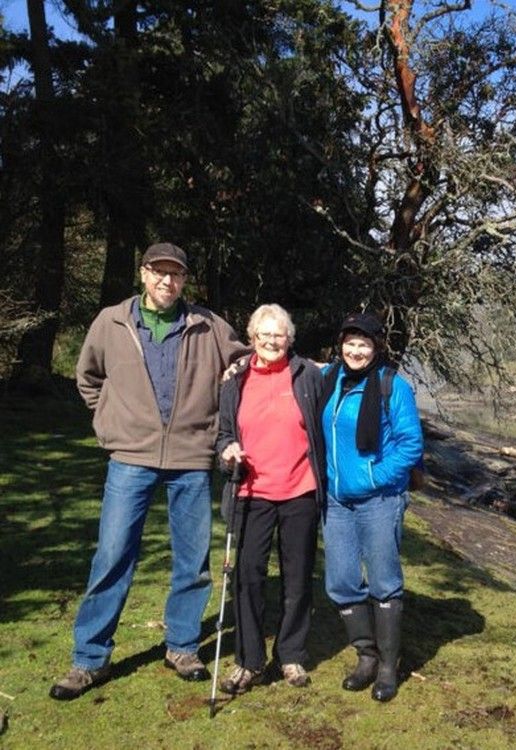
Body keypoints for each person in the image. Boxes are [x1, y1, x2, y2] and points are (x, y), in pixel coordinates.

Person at [50, 243, 248, 701]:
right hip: (130, 459)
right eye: (159, 273)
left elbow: (244, 364)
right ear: (143, 273)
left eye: (175, 275)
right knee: (113, 555)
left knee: (193, 560)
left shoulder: (209, 325)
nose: (167, 282)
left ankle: (181, 647)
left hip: (191, 459)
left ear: (184, 281)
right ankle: (89, 659)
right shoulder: (111, 322)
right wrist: (111, 422)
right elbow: (89, 378)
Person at [215, 304, 325, 694]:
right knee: (247, 577)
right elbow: (223, 432)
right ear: (252, 338)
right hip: (251, 492)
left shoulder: (309, 374)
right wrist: (227, 449)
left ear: (289, 339)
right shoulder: (235, 379)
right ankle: (249, 660)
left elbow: (331, 415)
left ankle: (291, 654)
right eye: (264, 335)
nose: (271, 342)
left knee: (297, 577)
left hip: (300, 490)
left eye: (279, 335)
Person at [319, 312, 423, 702]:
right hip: (336, 499)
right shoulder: (330, 379)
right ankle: (366, 655)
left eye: (364, 344)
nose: (356, 350)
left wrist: (375, 476)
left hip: (380, 498)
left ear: (377, 347)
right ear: (341, 344)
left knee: (383, 580)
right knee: (342, 580)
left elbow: (411, 444)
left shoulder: (392, 387)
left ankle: (387, 666)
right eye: (350, 343)